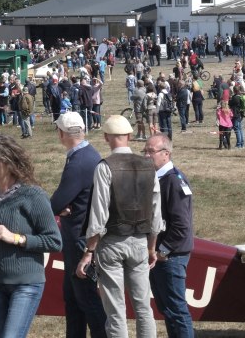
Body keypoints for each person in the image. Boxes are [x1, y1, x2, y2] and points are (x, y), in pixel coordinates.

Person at [0, 134, 62, 338]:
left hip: (25, 283)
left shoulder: (33, 196)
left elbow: (54, 241)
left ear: (8, 162)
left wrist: (15, 238)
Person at [76, 115, 163, 338]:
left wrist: (89, 251)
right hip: (140, 242)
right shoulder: (149, 166)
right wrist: (152, 247)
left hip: (112, 243)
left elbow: (98, 215)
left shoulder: (105, 167)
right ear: (130, 136)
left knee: (116, 311)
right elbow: (156, 214)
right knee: (144, 308)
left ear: (106, 138)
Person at [51, 113, 107, 338]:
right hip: (78, 235)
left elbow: (56, 202)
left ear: (62, 133)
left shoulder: (80, 160)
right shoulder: (86, 154)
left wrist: (59, 208)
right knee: (73, 298)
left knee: (85, 299)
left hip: (78, 238)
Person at [144, 133, 194, 338]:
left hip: (171, 255)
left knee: (177, 311)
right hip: (161, 255)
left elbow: (182, 225)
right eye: (144, 151)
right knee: (167, 309)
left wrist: (163, 251)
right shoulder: (158, 178)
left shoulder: (173, 181)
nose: (146, 156)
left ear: (166, 154)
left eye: (151, 152)